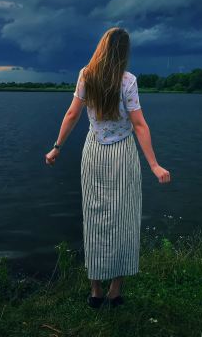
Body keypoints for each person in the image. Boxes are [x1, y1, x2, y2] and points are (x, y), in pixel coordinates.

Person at [45, 26, 171, 309]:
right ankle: (115, 291)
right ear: (124, 52)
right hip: (122, 153)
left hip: (93, 152)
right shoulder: (128, 81)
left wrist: (57, 147)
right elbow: (139, 124)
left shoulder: (85, 75)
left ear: (102, 47)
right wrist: (154, 164)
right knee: (123, 218)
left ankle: (95, 291)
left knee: (95, 216)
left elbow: (72, 114)